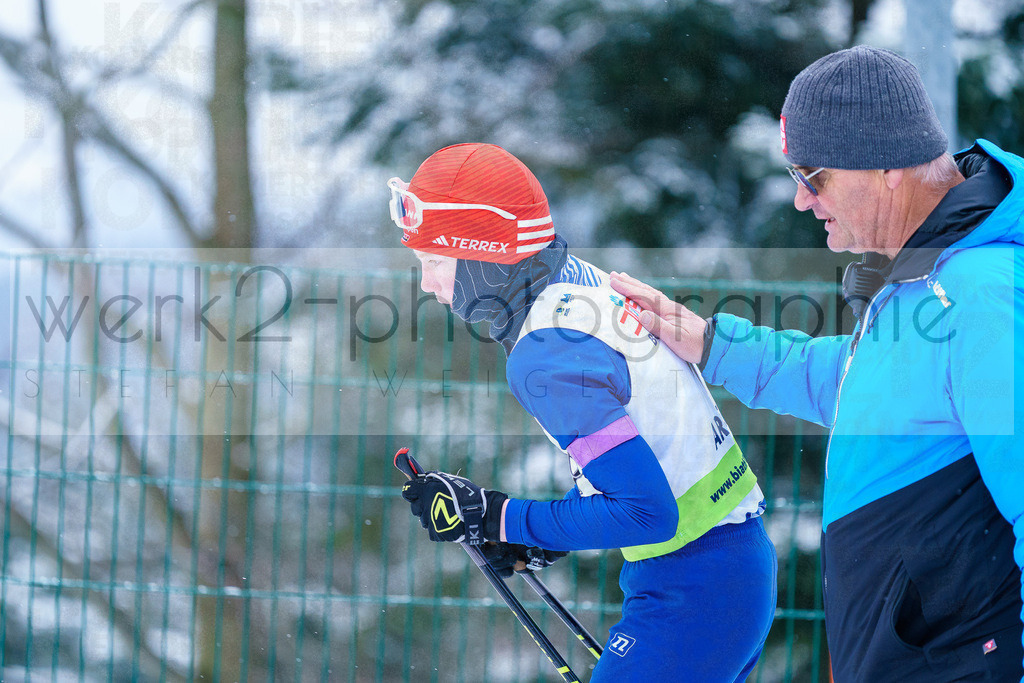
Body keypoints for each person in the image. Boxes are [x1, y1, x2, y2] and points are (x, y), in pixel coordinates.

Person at [609, 45, 1024, 682]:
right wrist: (713, 344)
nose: (803, 201)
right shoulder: (921, 278)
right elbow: (858, 385)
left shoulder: (977, 294)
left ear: (884, 165)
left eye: (813, 175)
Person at [388, 143, 777, 680]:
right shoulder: (576, 286)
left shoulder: (544, 356)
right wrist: (534, 536)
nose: (428, 285)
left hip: (691, 589)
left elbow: (647, 513)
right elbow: (635, 458)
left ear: (484, 254)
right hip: (726, 571)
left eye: (435, 262)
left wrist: (498, 516)